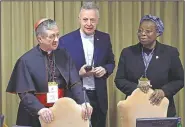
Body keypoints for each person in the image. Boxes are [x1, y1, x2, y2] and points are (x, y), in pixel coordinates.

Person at [6, 18, 93, 127]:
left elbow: (75, 83)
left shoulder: (64, 55)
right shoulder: (25, 60)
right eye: (51, 36)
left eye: (57, 35)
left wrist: (84, 102)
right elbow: (25, 93)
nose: (56, 39)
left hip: (61, 111)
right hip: (35, 113)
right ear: (40, 38)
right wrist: (40, 109)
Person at [115, 14, 184, 117]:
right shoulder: (127, 53)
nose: (142, 34)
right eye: (140, 30)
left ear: (158, 33)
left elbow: (179, 80)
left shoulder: (170, 53)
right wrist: (137, 88)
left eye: (148, 31)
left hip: (161, 108)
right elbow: (119, 80)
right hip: (135, 109)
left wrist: (164, 91)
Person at [59, 2, 115, 127]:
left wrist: (105, 70)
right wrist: (78, 74)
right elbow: (60, 71)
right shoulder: (65, 41)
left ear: (98, 20)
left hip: (98, 95)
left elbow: (111, 62)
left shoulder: (105, 38)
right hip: (75, 96)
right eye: (85, 19)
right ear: (79, 19)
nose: (89, 24)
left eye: (92, 20)